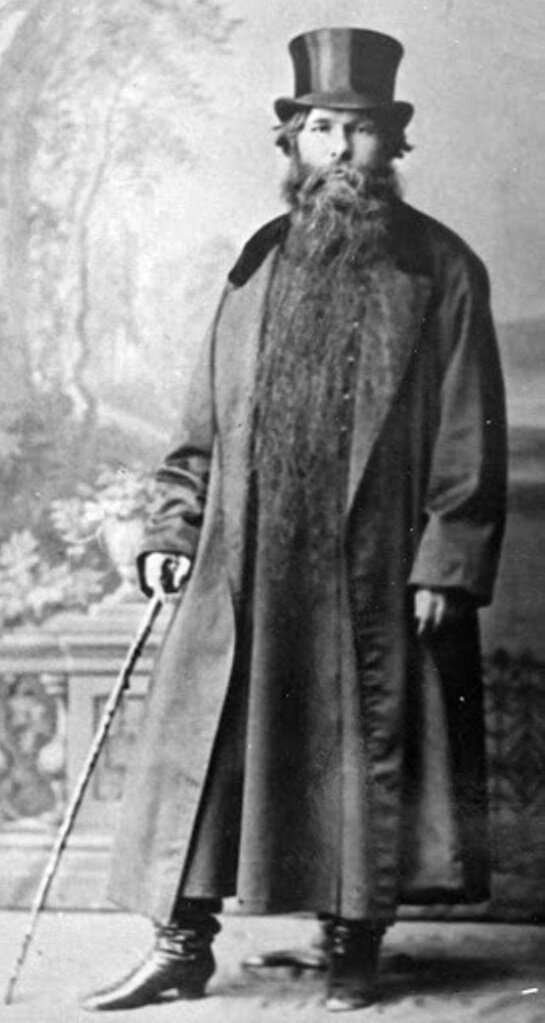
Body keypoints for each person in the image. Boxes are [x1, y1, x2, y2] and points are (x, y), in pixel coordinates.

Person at [83, 27, 507, 1013]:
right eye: (320, 128)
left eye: (359, 129)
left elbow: (466, 430)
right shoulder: (257, 262)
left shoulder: (441, 269)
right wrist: (173, 529)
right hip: (248, 565)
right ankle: (179, 946)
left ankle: (351, 944)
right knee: (209, 747)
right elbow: (202, 424)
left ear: (390, 144)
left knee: (362, 755)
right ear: (292, 143)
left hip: (373, 563)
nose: (339, 148)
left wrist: (445, 560)